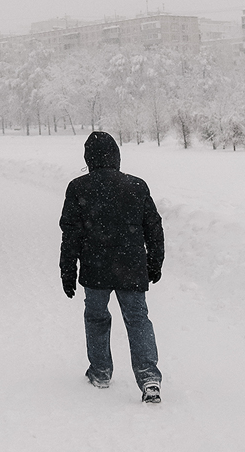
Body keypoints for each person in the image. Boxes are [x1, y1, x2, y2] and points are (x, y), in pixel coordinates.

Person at [59, 130, 165, 404]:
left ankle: (101, 371)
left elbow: (70, 234)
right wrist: (155, 262)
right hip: (132, 266)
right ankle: (149, 377)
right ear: (116, 156)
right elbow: (154, 228)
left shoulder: (78, 188)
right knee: (138, 319)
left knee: (96, 318)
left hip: (95, 269)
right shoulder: (137, 186)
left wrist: (68, 270)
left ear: (89, 158)